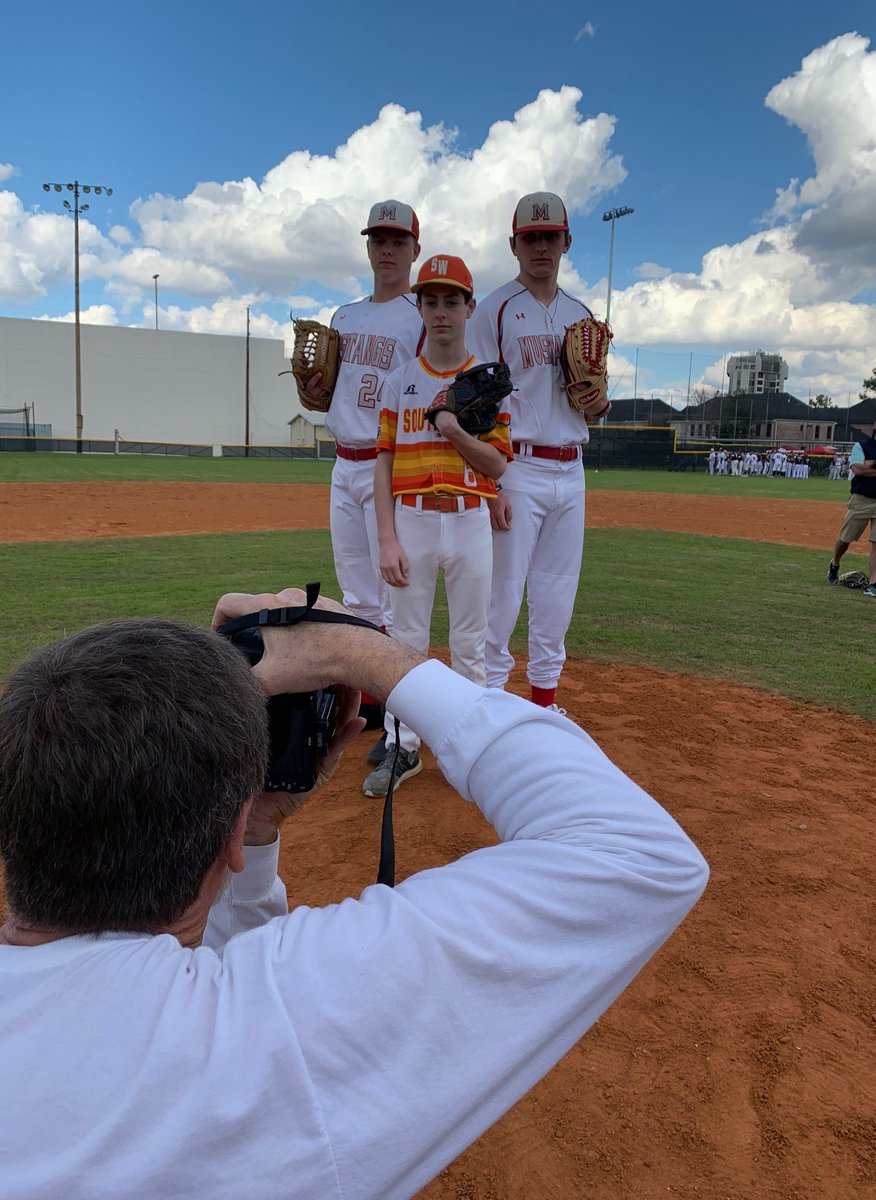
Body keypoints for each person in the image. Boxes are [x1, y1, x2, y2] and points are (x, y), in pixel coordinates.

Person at [0, 588, 708, 1200]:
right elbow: (636, 851)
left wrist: (255, 827)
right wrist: (363, 655)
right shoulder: (264, 1046)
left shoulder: (211, 1034)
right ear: (224, 843)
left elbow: (178, 985)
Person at [365, 254, 512, 798]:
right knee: (406, 643)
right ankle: (403, 748)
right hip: (412, 520)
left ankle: (470, 750)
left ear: (470, 307)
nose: (442, 311)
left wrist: (452, 429)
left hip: (470, 518)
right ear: (420, 307)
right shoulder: (400, 380)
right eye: (431, 300)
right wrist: (385, 537)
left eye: (453, 300)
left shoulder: (488, 382)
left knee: (471, 641)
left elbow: (497, 464)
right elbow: (382, 461)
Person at [467, 192, 609, 712]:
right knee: (502, 597)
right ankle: (490, 705)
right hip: (517, 467)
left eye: (550, 236)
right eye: (531, 238)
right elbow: (473, 399)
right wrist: (490, 482)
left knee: (556, 595)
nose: (541, 246)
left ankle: (545, 702)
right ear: (514, 245)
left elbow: (591, 406)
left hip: (571, 470)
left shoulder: (581, 314)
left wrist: (600, 403)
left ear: (567, 242)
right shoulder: (495, 310)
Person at [305, 198, 424, 756]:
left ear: (414, 250)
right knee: (356, 592)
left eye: (398, 241)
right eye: (378, 240)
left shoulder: (420, 317)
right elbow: (328, 389)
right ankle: (372, 706)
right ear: (368, 246)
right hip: (342, 461)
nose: (387, 249)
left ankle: (402, 712)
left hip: (389, 465)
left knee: (395, 592)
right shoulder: (345, 318)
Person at [826, 410, 876, 597]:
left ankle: (873, 584)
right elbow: (858, 470)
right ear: (875, 425)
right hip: (861, 499)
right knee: (845, 539)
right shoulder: (861, 445)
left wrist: (874, 463)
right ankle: (835, 564)